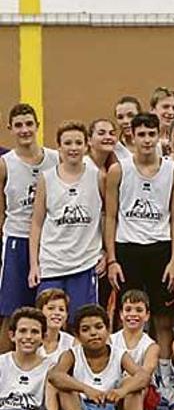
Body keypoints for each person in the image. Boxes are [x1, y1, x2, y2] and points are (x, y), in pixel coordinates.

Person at [104, 113, 174, 380]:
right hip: (128, 249)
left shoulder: (173, 171)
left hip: (161, 248)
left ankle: (163, 378)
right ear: (132, 137)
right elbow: (111, 216)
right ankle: (123, 373)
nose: (147, 140)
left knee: (163, 318)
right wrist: (112, 259)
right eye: (142, 134)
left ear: (159, 135)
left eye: (152, 134)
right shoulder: (119, 170)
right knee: (127, 314)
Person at [49, 305, 155, 410]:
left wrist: (121, 392)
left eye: (99, 327)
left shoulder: (120, 354)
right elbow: (54, 376)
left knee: (133, 384)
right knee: (65, 387)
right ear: (77, 335)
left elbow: (144, 377)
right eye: (85, 329)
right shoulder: (71, 354)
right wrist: (86, 389)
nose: (93, 333)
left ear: (108, 329)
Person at [0, 103, 60, 350]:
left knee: (49, 311)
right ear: (10, 129)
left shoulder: (56, 158)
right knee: (12, 312)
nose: (25, 130)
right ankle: (4, 374)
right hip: (18, 240)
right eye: (19, 125)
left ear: (37, 125)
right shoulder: (5, 163)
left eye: (28, 124)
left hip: (52, 242)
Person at [28, 121, 103, 318]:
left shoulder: (97, 177)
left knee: (82, 322)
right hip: (52, 263)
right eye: (67, 143)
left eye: (78, 143)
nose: (73, 148)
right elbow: (36, 223)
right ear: (59, 147)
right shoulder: (46, 178)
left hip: (85, 264)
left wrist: (106, 253)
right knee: (48, 322)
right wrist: (34, 264)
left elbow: (107, 215)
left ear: (87, 145)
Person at [0, 307, 78, 410]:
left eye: (35, 332)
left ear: (43, 337)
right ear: (12, 335)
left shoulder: (51, 367)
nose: (28, 337)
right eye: (22, 331)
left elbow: (51, 404)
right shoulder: (2, 363)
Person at [35, 290, 75, 366]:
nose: (57, 313)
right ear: (40, 312)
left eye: (61, 309)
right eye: (51, 308)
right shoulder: (30, 338)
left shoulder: (72, 343)